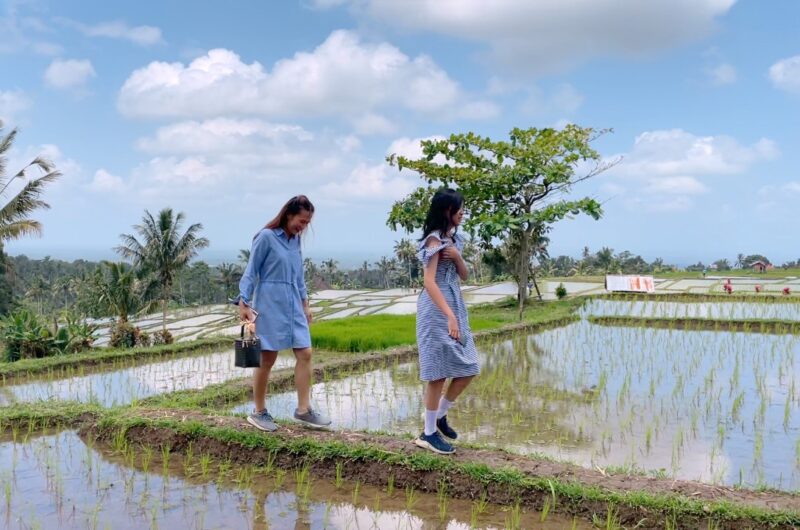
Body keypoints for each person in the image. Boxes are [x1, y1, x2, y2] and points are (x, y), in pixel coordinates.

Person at [234, 195, 331, 431]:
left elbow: (299, 277)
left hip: (293, 304)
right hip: (269, 301)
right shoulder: (266, 237)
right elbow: (251, 270)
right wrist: (243, 302)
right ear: (289, 215)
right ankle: (258, 412)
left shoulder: (295, 242)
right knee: (267, 358)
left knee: (305, 352)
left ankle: (303, 410)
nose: (303, 226)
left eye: (307, 223)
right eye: (301, 220)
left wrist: (305, 305)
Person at [414, 188, 479, 455]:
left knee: (469, 367)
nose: (463, 213)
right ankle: (428, 434)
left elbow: (463, 275)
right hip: (436, 308)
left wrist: (457, 256)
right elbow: (429, 281)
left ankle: (439, 416)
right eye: (459, 209)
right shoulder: (433, 241)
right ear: (446, 211)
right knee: (438, 373)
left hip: (455, 304)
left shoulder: (455, 240)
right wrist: (449, 315)